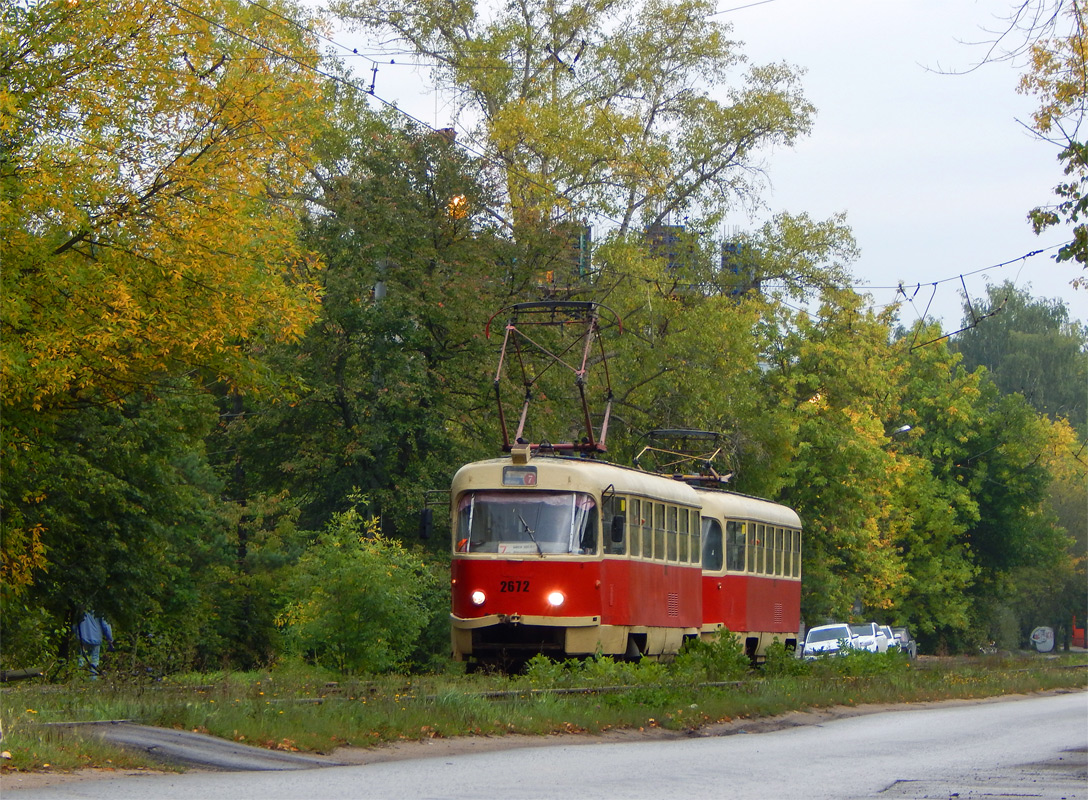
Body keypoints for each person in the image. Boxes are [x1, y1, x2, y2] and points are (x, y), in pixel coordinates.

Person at [75, 611, 114, 678]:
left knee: (82, 657)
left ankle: (79, 677)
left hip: (83, 637)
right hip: (96, 637)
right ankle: (93, 678)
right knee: (95, 659)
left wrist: (77, 634)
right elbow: (106, 625)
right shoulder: (99, 609)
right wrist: (109, 638)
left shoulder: (82, 609)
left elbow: (75, 624)